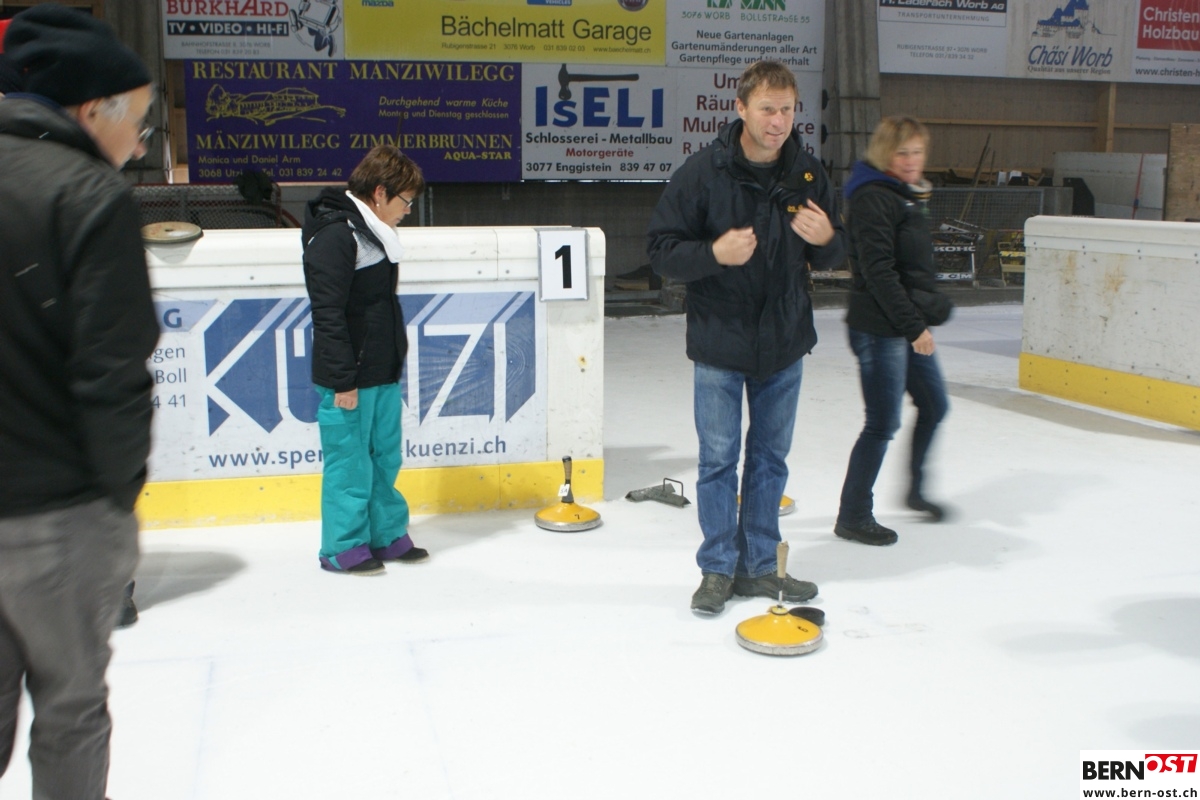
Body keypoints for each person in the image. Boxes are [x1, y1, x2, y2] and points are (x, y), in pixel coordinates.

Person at [0, 4, 159, 797]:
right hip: (57, 516)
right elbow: (113, 374)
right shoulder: (90, 194)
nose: (141, 145)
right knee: (69, 711)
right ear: (95, 109)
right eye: (140, 122)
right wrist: (117, 497)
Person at [647, 60, 846, 616]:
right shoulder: (702, 174)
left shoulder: (807, 175)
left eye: (787, 110)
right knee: (717, 460)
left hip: (783, 341)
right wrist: (713, 253)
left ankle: (759, 566)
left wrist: (828, 238)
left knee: (769, 459)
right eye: (767, 109)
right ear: (740, 109)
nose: (778, 121)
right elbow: (660, 251)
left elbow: (836, 250)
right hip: (720, 341)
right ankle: (717, 568)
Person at [302, 145, 430, 575]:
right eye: (405, 200)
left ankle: (386, 534)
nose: (408, 210)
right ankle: (342, 546)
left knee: (384, 457)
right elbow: (328, 313)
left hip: (381, 370)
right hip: (350, 377)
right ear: (379, 193)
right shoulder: (337, 235)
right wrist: (342, 380)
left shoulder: (373, 232)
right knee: (350, 462)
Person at [834, 116, 952, 547]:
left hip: (903, 324)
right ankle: (853, 515)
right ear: (885, 153)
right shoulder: (873, 198)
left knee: (934, 405)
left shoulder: (906, 195)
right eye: (902, 152)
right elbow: (879, 272)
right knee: (882, 423)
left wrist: (929, 302)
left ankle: (915, 490)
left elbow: (911, 267)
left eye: (917, 152)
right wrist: (915, 326)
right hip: (880, 328)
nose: (911, 160)